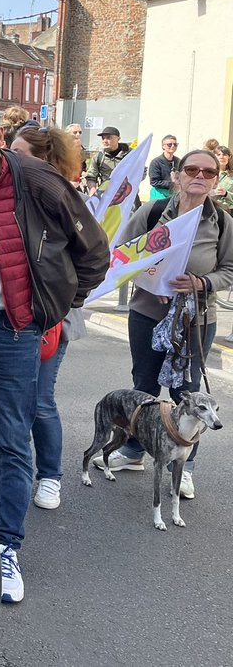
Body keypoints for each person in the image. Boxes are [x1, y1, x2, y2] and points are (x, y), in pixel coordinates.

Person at [0, 107, 108, 604]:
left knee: (14, 436)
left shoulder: (38, 179)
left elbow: (94, 253)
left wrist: (54, 307)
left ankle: (8, 545)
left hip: (17, 331)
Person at [98, 148, 233, 496]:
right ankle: (133, 451)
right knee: (144, 384)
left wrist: (202, 283)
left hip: (197, 318)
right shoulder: (154, 211)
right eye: (191, 169)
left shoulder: (223, 222)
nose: (199, 176)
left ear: (216, 180)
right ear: (177, 175)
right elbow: (121, 254)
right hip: (147, 313)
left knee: (186, 390)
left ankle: (184, 464)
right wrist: (148, 281)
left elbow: (229, 270)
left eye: (208, 172)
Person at [10, 126, 88, 511]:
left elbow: (90, 255)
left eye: (20, 153)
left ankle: (50, 475)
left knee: (39, 401)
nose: (11, 159)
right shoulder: (8, 192)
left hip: (51, 319)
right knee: (7, 400)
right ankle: (9, 465)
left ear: (44, 160)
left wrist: (65, 301)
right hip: (13, 317)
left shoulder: (62, 198)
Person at [84, 126, 130, 194]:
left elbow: (141, 171)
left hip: (127, 194)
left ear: (118, 138)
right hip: (107, 195)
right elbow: (91, 177)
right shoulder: (99, 156)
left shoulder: (130, 154)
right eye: (103, 138)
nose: (105, 141)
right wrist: (92, 189)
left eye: (108, 137)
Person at [149, 135, 180, 200]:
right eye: (169, 144)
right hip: (159, 195)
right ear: (163, 146)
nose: (173, 146)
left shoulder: (178, 161)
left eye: (175, 144)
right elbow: (154, 182)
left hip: (174, 194)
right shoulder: (156, 162)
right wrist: (172, 184)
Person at [213, 145, 233, 211]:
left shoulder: (231, 175)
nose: (221, 157)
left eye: (224, 154)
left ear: (229, 157)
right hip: (210, 208)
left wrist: (226, 193)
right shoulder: (208, 173)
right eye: (218, 154)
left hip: (228, 210)